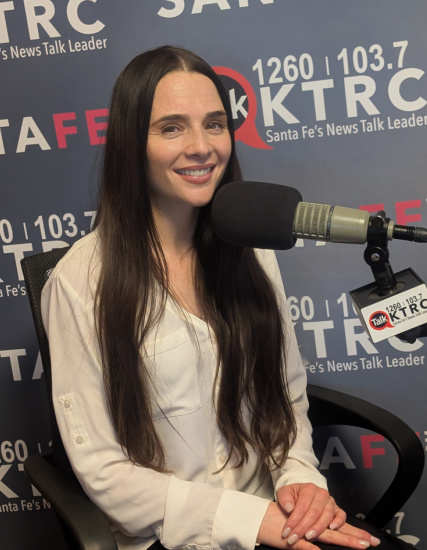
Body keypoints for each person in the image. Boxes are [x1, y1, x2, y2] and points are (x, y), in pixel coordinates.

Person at [41, 45, 381, 550]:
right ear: (132, 143)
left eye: (215, 124)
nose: (201, 147)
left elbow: (284, 396)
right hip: (173, 539)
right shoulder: (79, 281)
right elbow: (104, 471)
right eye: (171, 128)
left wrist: (300, 479)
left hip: (276, 519)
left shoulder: (250, 247)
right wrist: (248, 519)